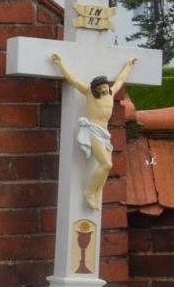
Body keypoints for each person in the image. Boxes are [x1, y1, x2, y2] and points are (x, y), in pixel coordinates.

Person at [50, 52, 138, 209]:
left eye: (105, 86)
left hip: (105, 133)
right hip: (94, 130)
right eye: (101, 87)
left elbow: (121, 79)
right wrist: (60, 63)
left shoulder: (111, 93)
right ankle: (89, 192)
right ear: (96, 89)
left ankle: (96, 192)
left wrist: (129, 65)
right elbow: (73, 79)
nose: (104, 88)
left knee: (107, 166)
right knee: (106, 164)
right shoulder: (89, 93)